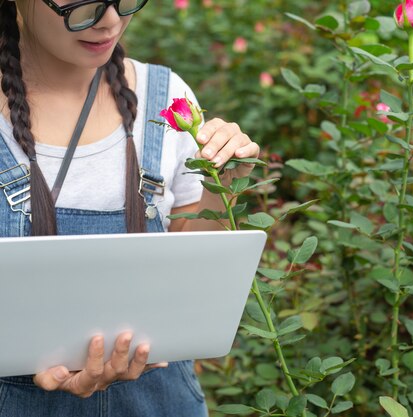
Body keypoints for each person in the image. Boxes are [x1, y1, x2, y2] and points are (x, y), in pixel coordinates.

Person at [0, 0, 260, 415]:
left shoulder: (166, 96)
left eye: (125, 1)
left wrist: (221, 182)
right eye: (84, 4)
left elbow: (192, 279)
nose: (110, 21)